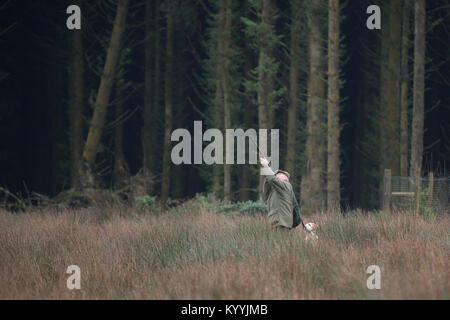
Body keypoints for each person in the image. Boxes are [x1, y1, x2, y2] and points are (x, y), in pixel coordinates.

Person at [260, 157, 304, 231]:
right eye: (275, 174)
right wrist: (267, 172)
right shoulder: (274, 190)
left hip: (282, 223)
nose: (276, 175)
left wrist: (266, 166)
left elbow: (272, 179)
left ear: (285, 178)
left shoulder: (286, 185)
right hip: (275, 222)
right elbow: (268, 185)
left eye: (279, 174)